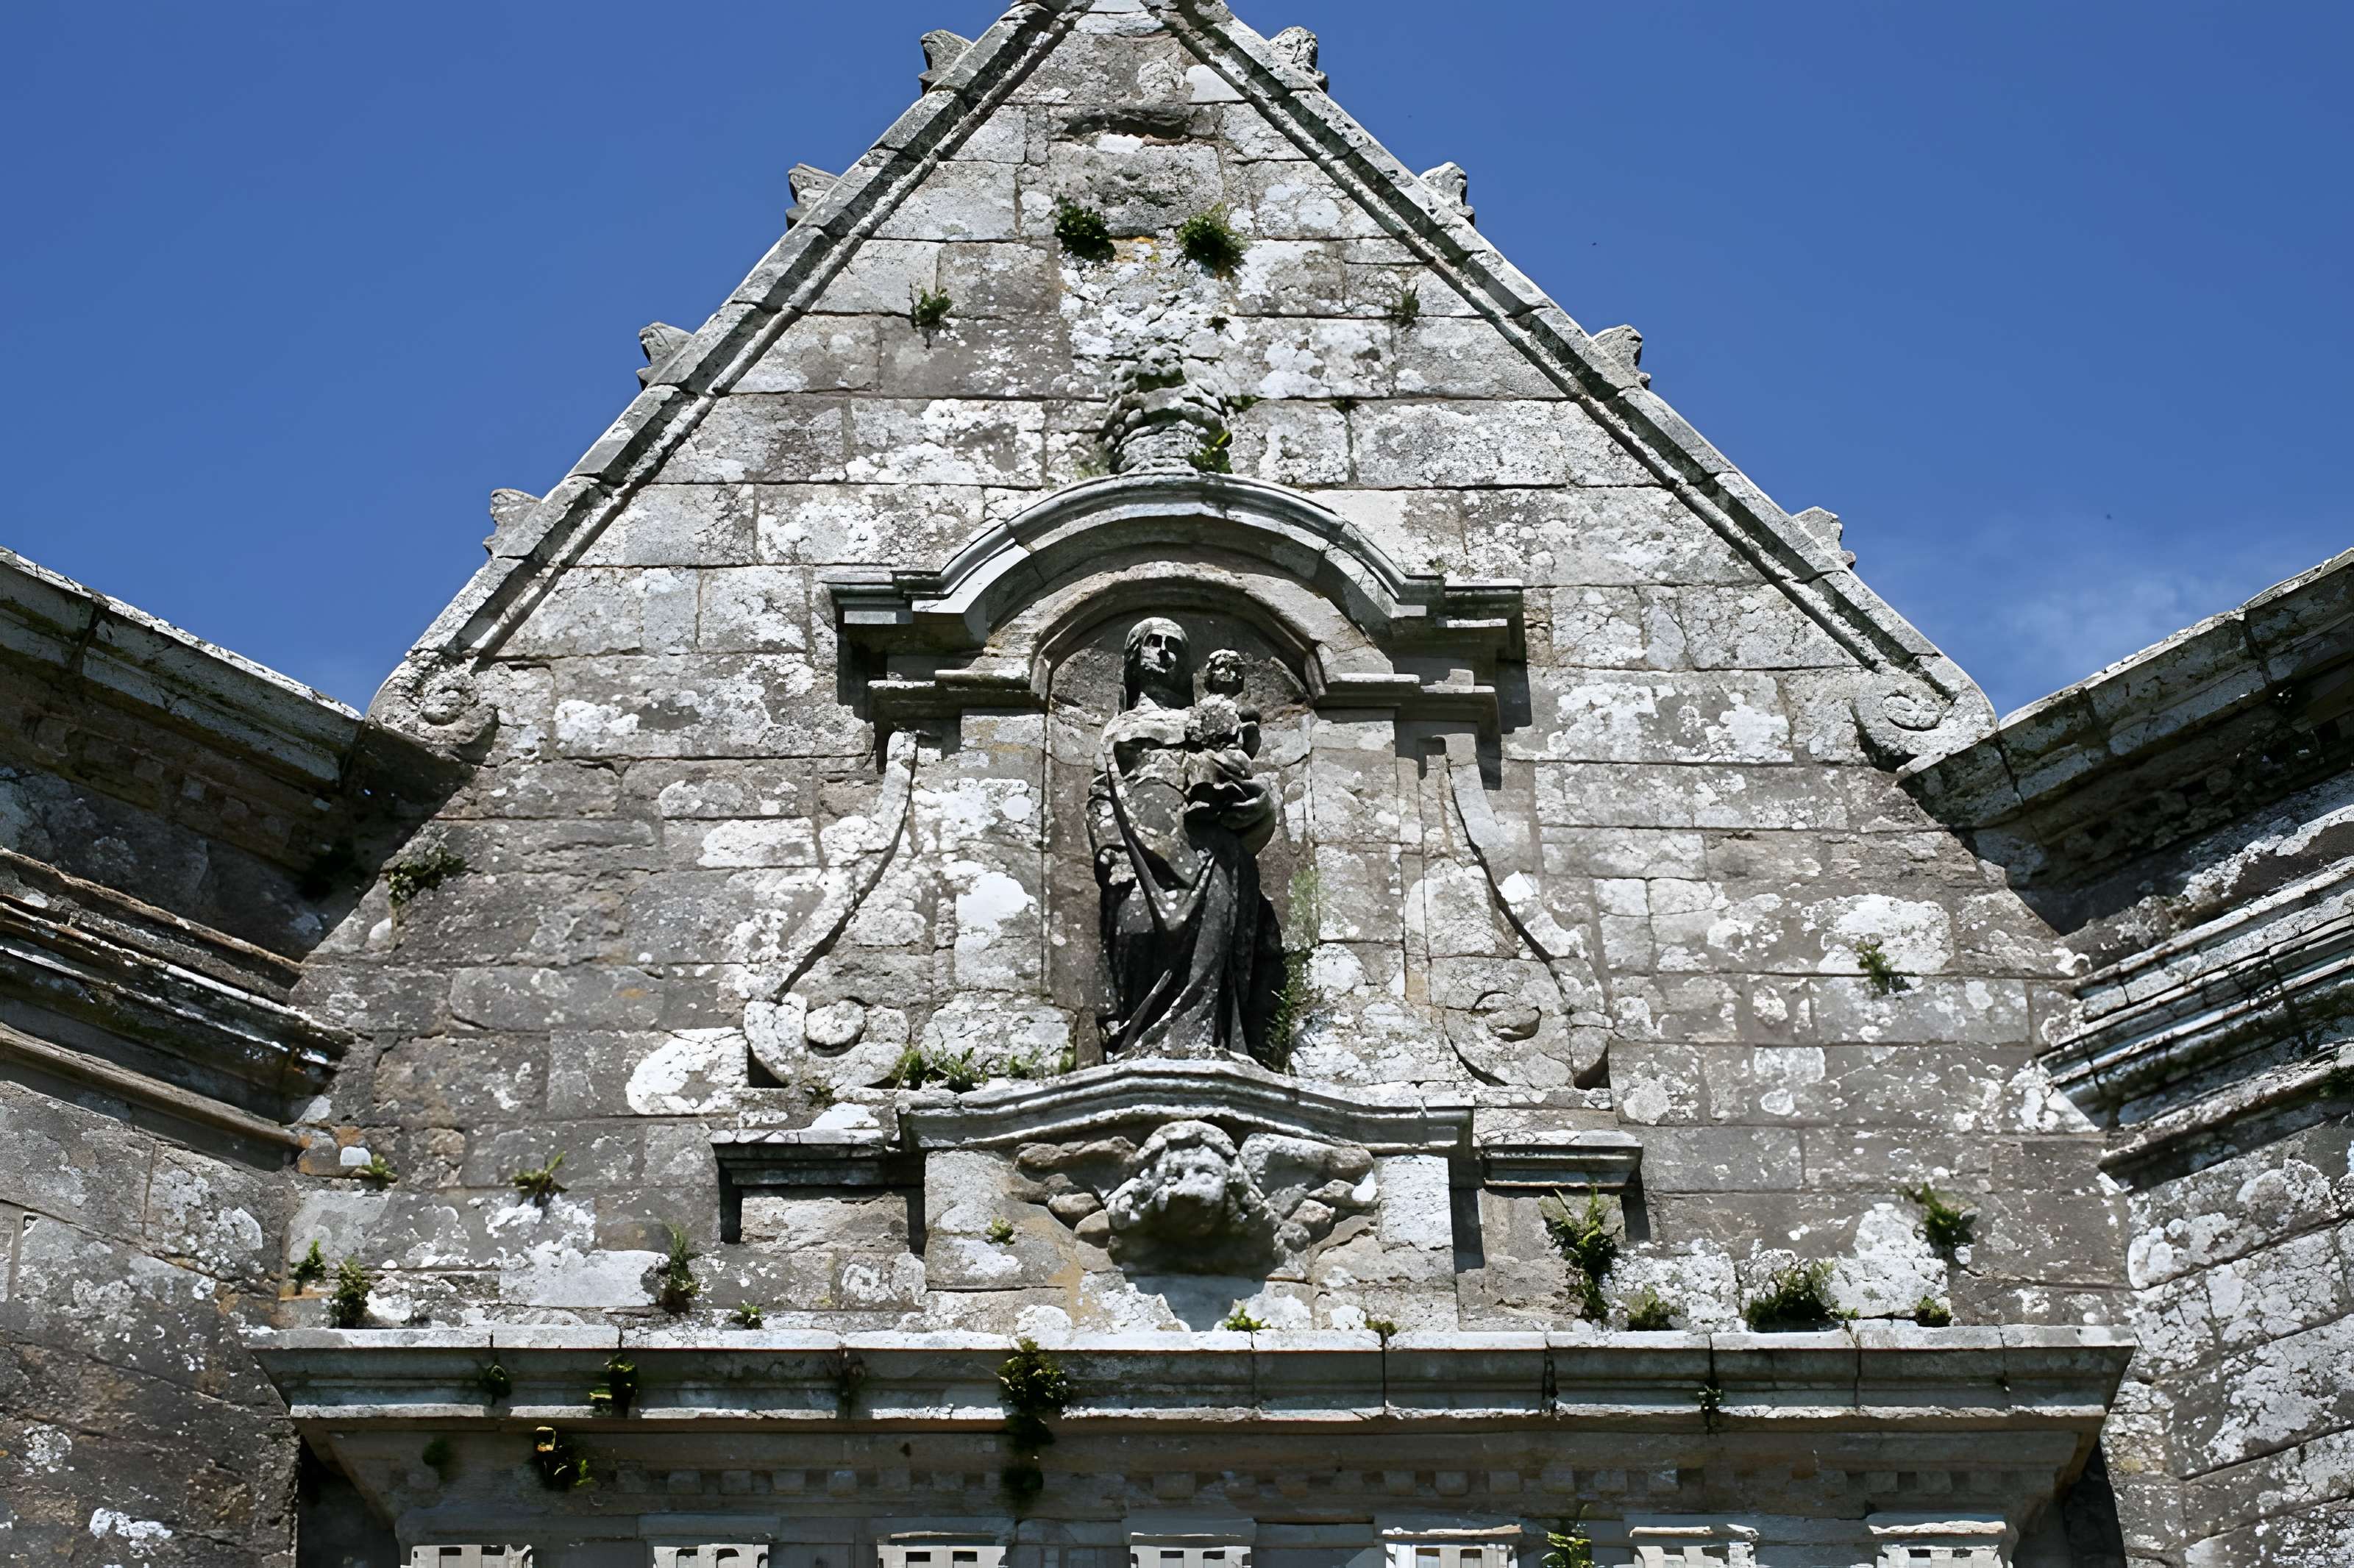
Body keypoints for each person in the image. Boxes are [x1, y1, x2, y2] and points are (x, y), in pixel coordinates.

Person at [1088, 619, 1283, 1061]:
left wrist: (1258, 805)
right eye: (1152, 643)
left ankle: (1204, 1043)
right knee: (1137, 932)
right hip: (1137, 852)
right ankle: (1137, 1043)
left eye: (1174, 645)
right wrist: (1110, 850)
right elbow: (1103, 792)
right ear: (1134, 658)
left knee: (1211, 942)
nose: (1163, 652)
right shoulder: (1118, 728)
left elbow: (1239, 774)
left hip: (1208, 850)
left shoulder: (1208, 719)